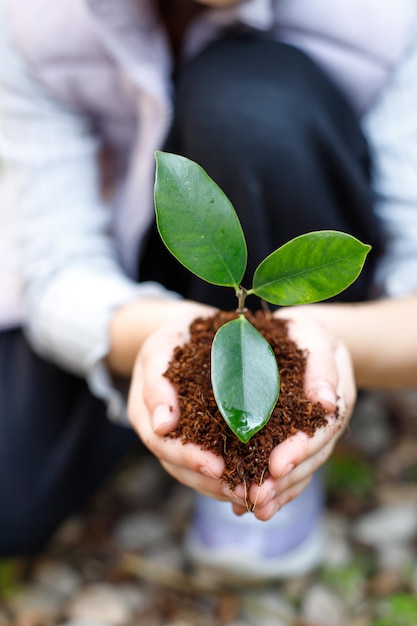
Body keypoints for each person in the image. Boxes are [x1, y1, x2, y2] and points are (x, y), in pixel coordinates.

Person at [1, 0, 417, 578]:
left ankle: (267, 461)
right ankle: (165, 419)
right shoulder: (34, 24)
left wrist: (323, 338)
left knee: (247, 103)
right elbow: (54, 270)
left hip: (296, 233)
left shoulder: (383, 20)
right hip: (127, 277)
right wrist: (160, 337)